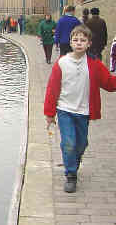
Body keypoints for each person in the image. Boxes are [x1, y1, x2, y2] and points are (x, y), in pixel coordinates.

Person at [44, 25, 116, 193]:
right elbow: (52, 89)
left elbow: (108, 83)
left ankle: (74, 160)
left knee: (81, 143)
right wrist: (49, 114)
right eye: (75, 40)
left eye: (83, 40)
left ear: (89, 44)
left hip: (83, 111)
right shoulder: (61, 63)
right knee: (69, 143)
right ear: (70, 42)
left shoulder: (94, 64)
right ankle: (71, 175)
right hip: (64, 110)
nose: (79, 43)